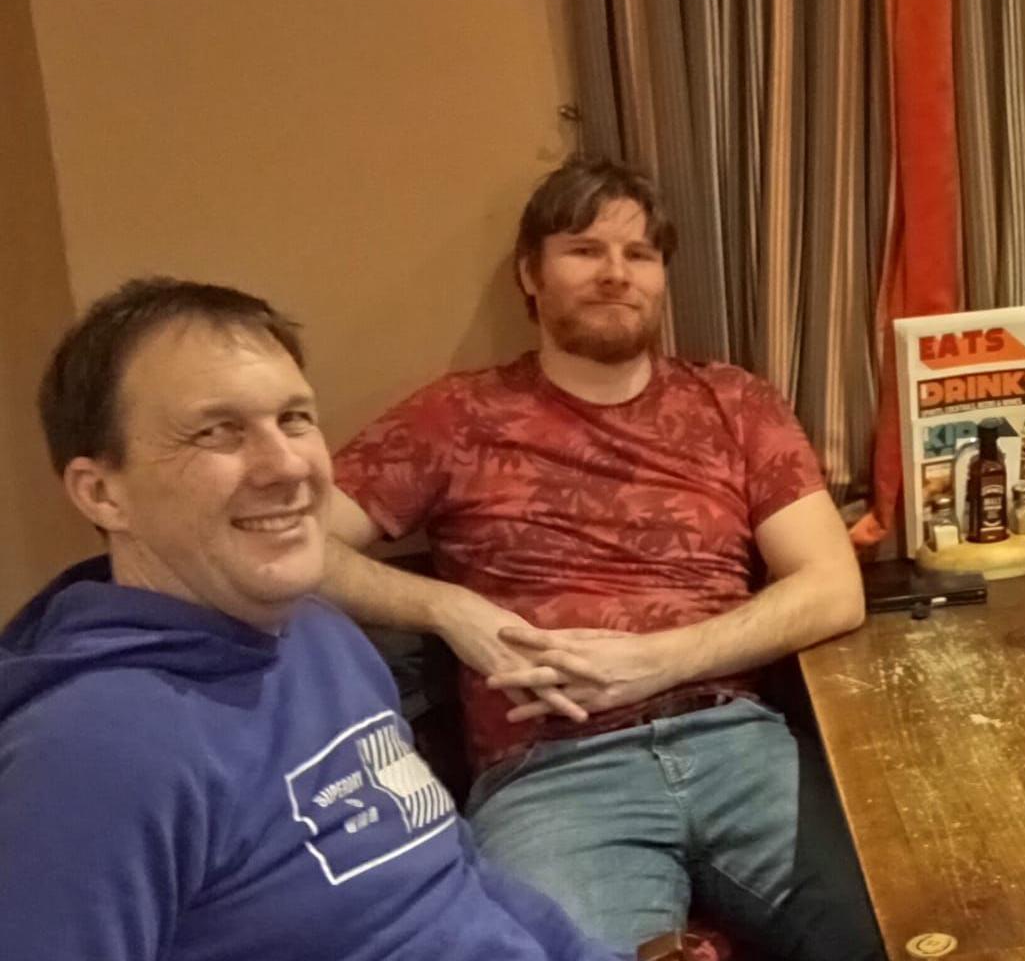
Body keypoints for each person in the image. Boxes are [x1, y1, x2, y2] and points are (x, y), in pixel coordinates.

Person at [321, 157, 882, 959]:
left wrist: (657, 661)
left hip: (738, 746)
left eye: (639, 255)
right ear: (531, 274)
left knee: (906, 930)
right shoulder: (455, 415)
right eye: (584, 250)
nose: (616, 274)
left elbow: (834, 590)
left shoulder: (734, 402)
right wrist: (447, 609)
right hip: (552, 776)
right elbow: (293, 548)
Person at [0, 278, 617, 961]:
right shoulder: (90, 752)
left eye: (294, 418)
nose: (287, 464)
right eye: (217, 431)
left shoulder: (321, 634)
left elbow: (458, 877)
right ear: (102, 493)